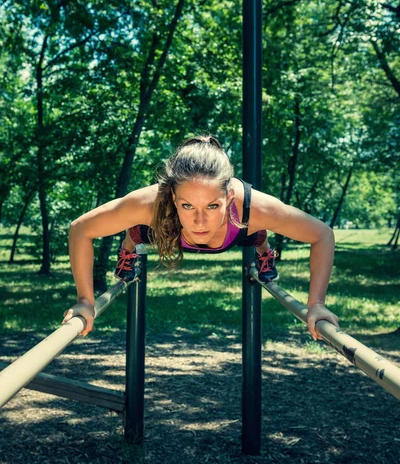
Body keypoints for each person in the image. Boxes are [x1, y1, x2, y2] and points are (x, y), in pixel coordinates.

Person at [62, 134, 339, 339]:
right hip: (166, 229)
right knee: (137, 232)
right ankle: (128, 248)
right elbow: (80, 229)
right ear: (172, 196)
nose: (200, 221)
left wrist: (316, 304)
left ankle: (264, 252)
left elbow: (322, 235)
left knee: (256, 234)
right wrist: (85, 300)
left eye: (212, 205)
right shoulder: (149, 203)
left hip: (236, 230)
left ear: (228, 197)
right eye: (187, 205)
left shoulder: (253, 208)